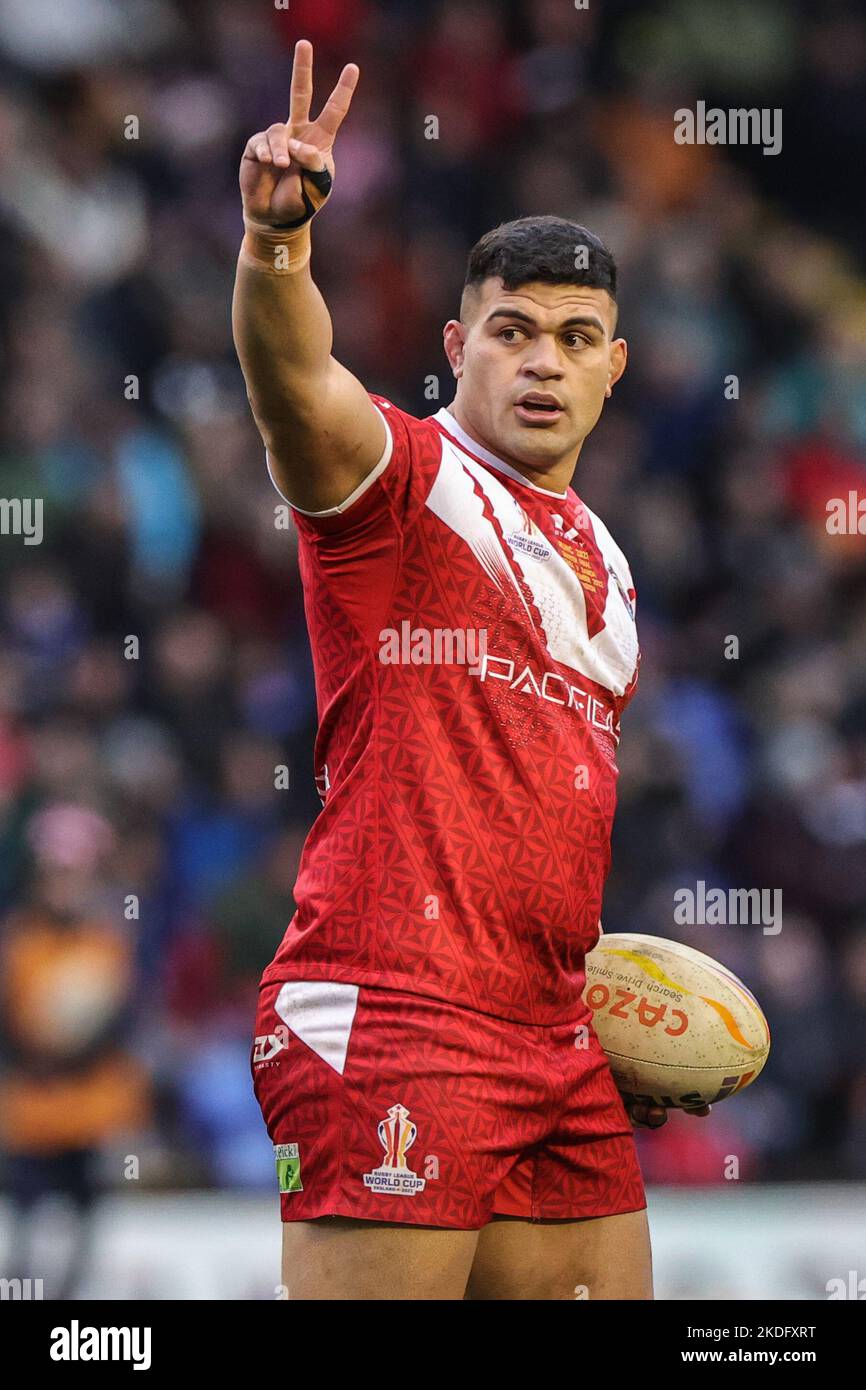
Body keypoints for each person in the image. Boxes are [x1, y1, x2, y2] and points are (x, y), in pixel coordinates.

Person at [233, 39, 708, 1301]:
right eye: (510, 331)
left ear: (613, 366)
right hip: (390, 1009)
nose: (541, 360)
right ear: (457, 345)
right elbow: (292, 382)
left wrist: (607, 1000)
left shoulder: (605, 561)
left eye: (572, 336)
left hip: (552, 1037)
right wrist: (277, 246)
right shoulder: (402, 482)